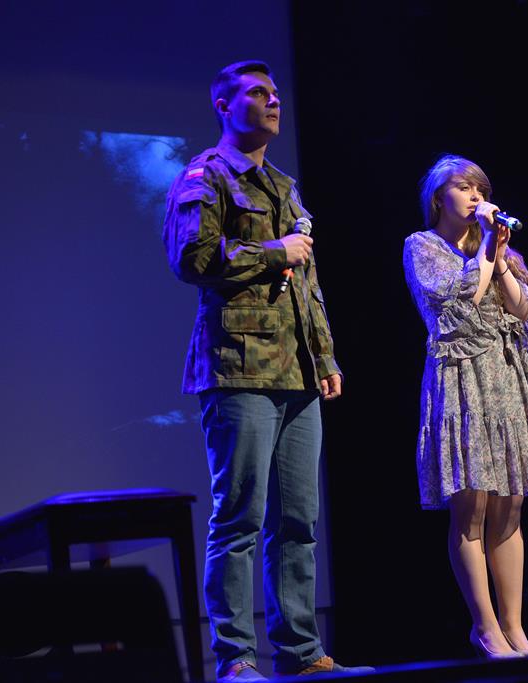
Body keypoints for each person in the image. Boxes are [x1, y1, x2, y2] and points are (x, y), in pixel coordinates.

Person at [162, 60, 369, 681]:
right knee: (240, 518)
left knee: (298, 520)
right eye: (258, 92)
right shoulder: (206, 175)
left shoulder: (283, 184)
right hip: (237, 368)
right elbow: (191, 257)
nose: (273, 101)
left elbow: (307, 281)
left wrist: (324, 355)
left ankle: (302, 654)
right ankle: (235, 659)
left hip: (297, 372)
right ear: (224, 105)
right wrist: (273, 251)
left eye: (276, 93)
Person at [402, 155, 528, 659]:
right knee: (473, 506)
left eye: (480, 189)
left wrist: (501, 254)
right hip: (461, 381)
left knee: (510, 505)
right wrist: (488, 248)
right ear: (438, 198)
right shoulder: (422, 246)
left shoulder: (495, 247)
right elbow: (459, 303)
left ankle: (515, 628)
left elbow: (522, 309)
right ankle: (485, 628)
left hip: (504, 380)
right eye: (463, 187)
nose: (474, 196)